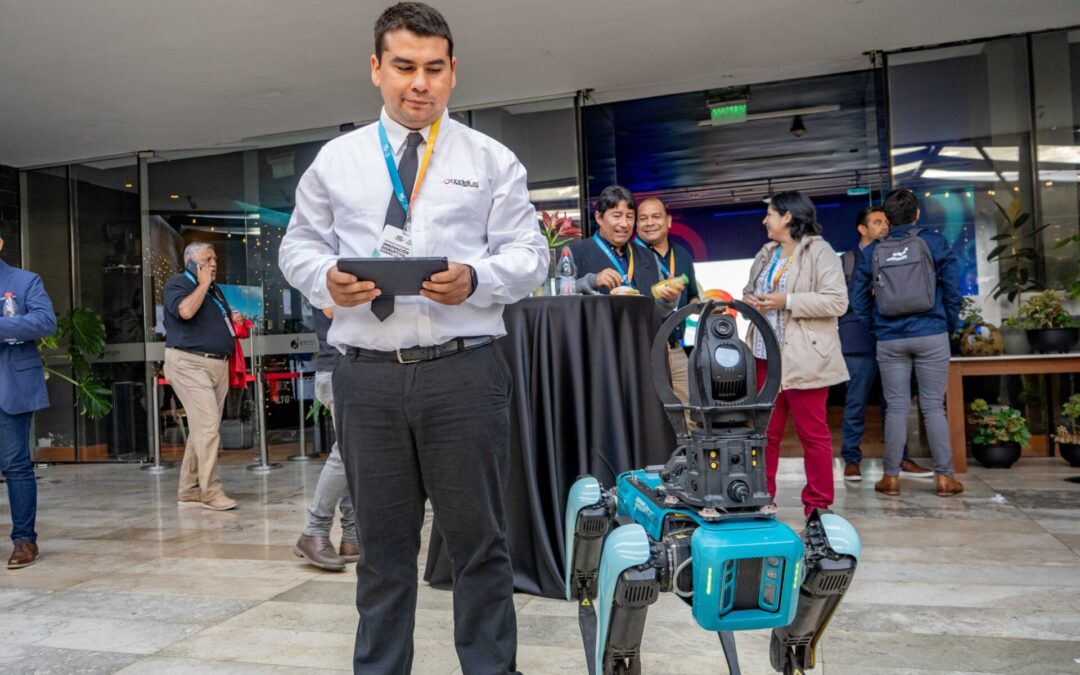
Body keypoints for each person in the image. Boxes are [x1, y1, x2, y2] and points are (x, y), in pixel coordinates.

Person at [278, 4, 547, 673]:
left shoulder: (491, 159)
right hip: (367, 377)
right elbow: (298, 247)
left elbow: (530, 255)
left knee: (480, 544)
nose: (418, 83)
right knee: (381, 549)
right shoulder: (336, 162)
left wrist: (478, 278)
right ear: (376, 69)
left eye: (433, 68)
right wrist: (325, 280)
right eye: (403, 67)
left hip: (465, 373)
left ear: (454, 72)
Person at [850, 189, 964, 497]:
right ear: (916, 215)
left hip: (889, 338)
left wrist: (876, 325)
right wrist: (948, 324)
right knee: (933, 406)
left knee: (896, 408)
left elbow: (858, 298)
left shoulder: (873, 251)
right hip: (931, 333)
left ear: (886, 220)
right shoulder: (933, 242)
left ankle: (891, 479)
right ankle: (944, 478)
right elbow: (953, 288)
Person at [742, 191, 848, 516]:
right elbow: (750, 292)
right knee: (764, 434)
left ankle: (818, 504)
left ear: (787, 217)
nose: (765, 220)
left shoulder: (820, 251)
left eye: (770, 214)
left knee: (813, 433)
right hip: (763, 356)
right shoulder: (766, 253)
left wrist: (785, 300)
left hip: (806, 357)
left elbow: (837, 302)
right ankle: (762, 498)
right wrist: (749, 303)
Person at [839, 206, 933, 481]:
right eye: (877, 222)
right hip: (857, 339)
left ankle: (901, 458)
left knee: (895, 403)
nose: (884, 227)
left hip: (891, 335)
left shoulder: (896, 253)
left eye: (886, 222)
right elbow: (839, 299)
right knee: (855, 402)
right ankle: (852, 460)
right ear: (862, 228)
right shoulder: (846, 260)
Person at [163, 242, 245, 511]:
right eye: (207, 258)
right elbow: (185, 311)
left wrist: (231, 317)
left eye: (215, 258)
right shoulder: (178, 283)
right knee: (209, 427)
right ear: (190, 261)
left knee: (202, 429)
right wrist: (201, 285)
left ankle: (189, 490)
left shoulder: (214, 289)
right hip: (189, 364)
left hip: (217, 364)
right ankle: (211, 491)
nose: (213, 263)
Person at [0, 235, 56, 569]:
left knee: (15, 464)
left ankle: (24, 540)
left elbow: (44, 321)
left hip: (11, 385)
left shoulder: (24, 281)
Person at [293, 307, 358, 571]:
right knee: (346, 449)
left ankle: (353, 537)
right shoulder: (331, 269)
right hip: (337, 369)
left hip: (348, 368)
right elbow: (334, 309)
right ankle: (313, 531)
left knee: (355, 453)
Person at [635, 197, 699, 412]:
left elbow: (692, 295)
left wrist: (701, 305)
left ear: (669, 221)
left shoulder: (681, 254)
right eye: (642, 218)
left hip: (675, 349)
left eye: (656, 216)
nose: (649, 223)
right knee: (651, 415)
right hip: (644, 351)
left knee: (689, 414)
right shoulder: (630, 255)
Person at [567, 185, 663, 296]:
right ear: (599, 218)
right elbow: (559, 297)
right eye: (617, 216)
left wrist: (669, 300)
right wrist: (592, 281)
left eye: (630, 216)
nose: (624, 224)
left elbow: (659, 309)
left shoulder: (650, 257)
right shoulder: (574, 253)